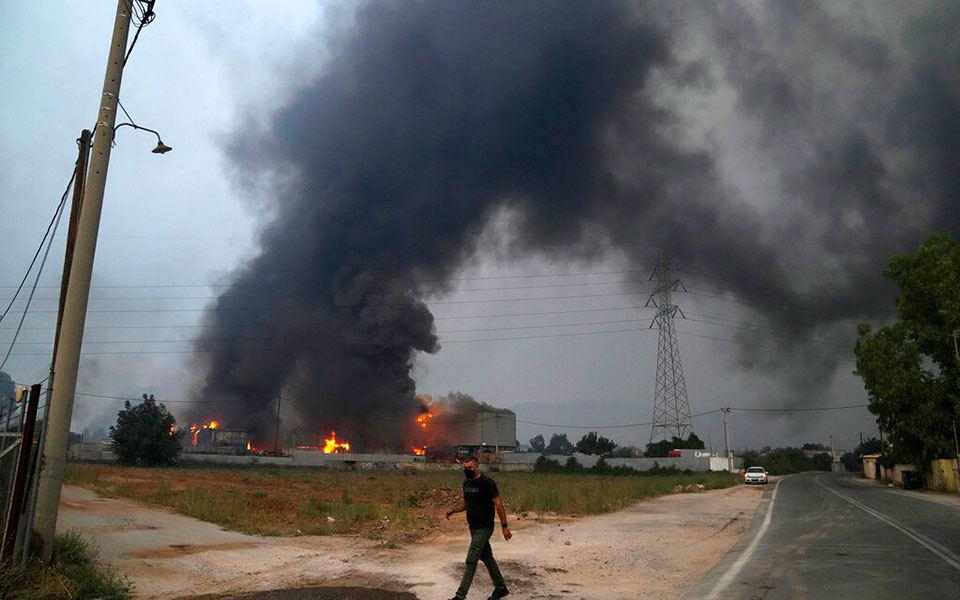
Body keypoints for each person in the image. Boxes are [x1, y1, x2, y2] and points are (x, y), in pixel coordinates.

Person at [445, 455, 511, 600]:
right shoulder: (467, 483)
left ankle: (460, 596)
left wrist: (504, 526)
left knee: (471, 560)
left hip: (484, 527)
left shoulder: (487, 483)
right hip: (473, 528)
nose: (467, 470)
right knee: (486, 557)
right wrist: (453, 509)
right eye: (465, 468)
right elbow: (465, 503)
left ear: (477, 467)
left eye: (470, 468)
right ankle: (500, 588)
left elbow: (498, 503)